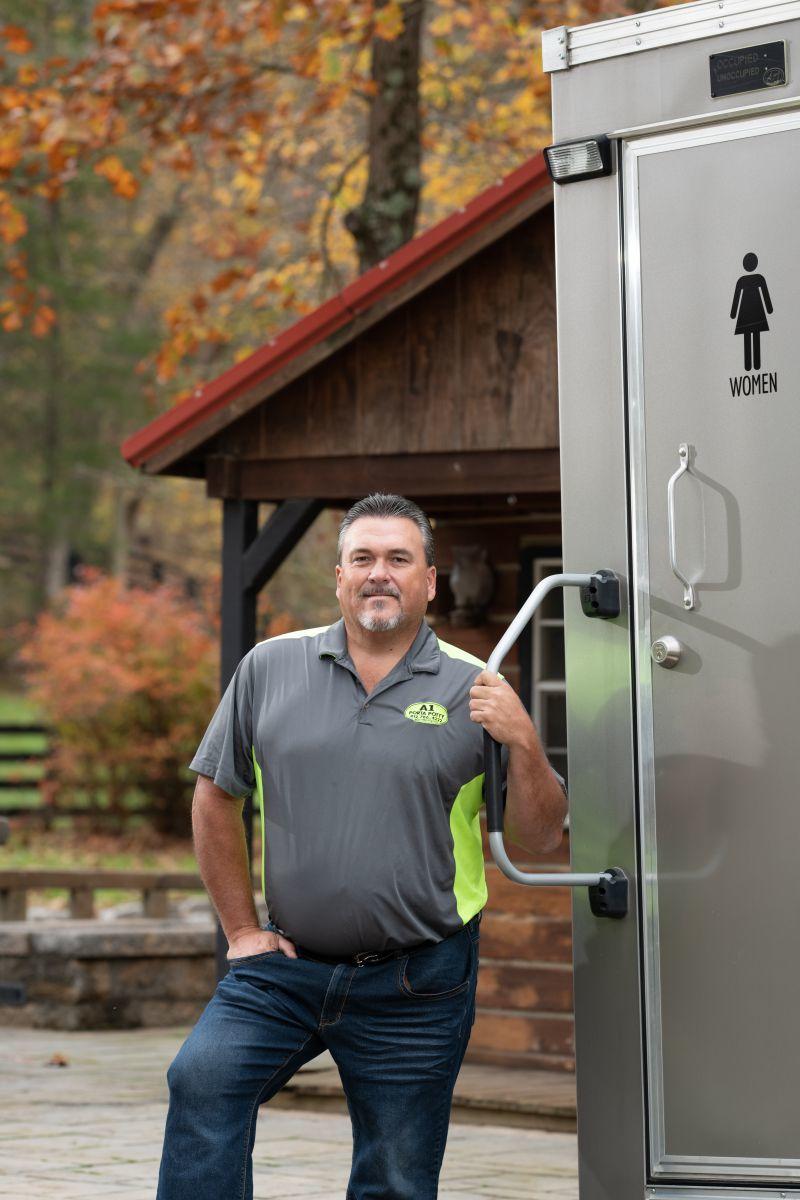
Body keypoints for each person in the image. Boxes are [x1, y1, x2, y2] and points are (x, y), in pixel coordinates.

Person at [156, 492, 567, 1200]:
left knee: (395, 1177)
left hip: (419, 978)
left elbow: (539, 836)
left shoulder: (474, 686)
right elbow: (216, 795)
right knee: (202, 1078)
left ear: (429, 581)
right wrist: (241, 930)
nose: (380, 573)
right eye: (363, 558)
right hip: (285, 967)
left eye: (399, 559)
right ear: (340, 576)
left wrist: (525, 742)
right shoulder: (268, 667)